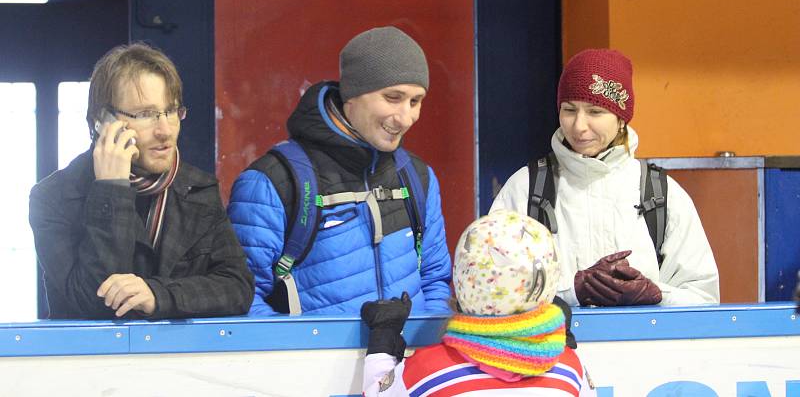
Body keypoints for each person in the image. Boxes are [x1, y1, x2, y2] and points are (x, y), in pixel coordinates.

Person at [228, 26, 451, 315]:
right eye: (392, 98)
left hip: (409, 357)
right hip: (312, 359)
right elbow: (244, 296)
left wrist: (424, 347)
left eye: (415, 101)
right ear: (352, 95)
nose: (406, 118)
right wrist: (304, 355)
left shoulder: (418, 177)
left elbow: (435, 280)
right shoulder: (272, 181)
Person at [29, 43, 254, 319]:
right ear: (103, 119)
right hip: (92, 360)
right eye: (146, 115)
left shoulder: (197, 188)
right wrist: (111, 190)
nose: (165, 130)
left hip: (182, 359)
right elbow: (92, 302)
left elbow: (237, 289)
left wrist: (157, 294)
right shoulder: (54, 197)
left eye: (171, 111)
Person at [490, 48, 719, 307]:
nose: (579, 126)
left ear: (621, 118)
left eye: (595, 111)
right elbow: (491, 290)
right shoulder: (526, 188)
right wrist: (571, 293)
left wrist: (656, 295)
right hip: (554, 346)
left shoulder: (661, 193)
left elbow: (704, 298)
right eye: (569, 110)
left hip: (644, 347)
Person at [360, 209, 597, 396]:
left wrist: (383, 337)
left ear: (464, 279)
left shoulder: (426, 371)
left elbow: (375, 394)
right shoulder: (570, 369)